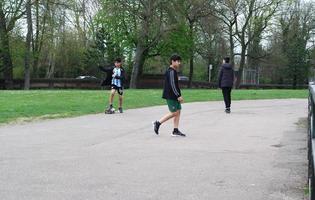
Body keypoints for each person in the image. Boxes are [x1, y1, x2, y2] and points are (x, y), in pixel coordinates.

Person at [153, 54, 186, 137]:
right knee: (174, 112)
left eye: (179, 61)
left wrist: (178, 95)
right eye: (178, 61)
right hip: (171, 96)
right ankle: (158, 123)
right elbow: (172, 85)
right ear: (172, 61)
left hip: (174, 95)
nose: (179, 63)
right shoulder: (171, 71)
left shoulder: (173, 71)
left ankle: (175, 130)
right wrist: (178, 95)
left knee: (178, 112)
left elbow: (175, 85)